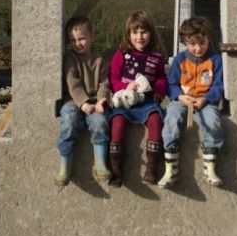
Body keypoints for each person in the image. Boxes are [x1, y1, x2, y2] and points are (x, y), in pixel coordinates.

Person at [158, 16, 224, 189]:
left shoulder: (215, 60)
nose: (197, 48)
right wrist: (179, 96)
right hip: (182, 100)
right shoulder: (180, 60)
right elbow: (170, 84)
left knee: (213, 121)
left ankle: (210, 167)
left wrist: (206, 99)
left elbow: (219, 85)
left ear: (208, 39)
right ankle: (170, 169)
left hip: (206, 100)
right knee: (171, 118)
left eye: (202, 43)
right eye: (192, 44)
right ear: (185, 42)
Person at [109, 10, 167, 186]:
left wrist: (158, 90)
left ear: (151, 33)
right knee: (117, 121)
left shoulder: (156, 56)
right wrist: (124, 86)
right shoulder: (122, 54)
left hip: (147, 101)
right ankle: (116, 169)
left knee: (156, 119)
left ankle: (151, 167)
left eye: (144, 32)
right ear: (128, 35)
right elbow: (112, 77)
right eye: (135, 32)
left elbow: (161, 78)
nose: (139, 37)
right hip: (125, 100)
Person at [55, 15, 111, 186]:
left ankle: (100, 163)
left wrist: (101, 101)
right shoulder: (69, 58)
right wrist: (83, 103)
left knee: (100, 122)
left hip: (95, 102)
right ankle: (65, 165)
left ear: (92, 37)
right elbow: (73, 83)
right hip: (73, 100)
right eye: (73, 40)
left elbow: (104, 83)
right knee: (70, 120)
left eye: (81, 39)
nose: (77, 43)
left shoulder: (99, 61)